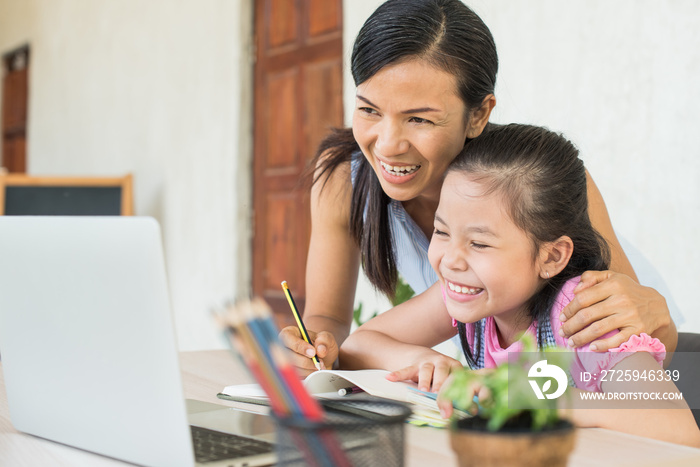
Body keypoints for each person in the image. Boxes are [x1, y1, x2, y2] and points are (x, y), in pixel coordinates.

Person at [279, 0, 677, 376]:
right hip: (521, 370)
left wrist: (655, 316)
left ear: (479, 115)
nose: (386, 144)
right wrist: (314, 347)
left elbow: (633, 328)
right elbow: (331, 325)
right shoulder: (342, 179)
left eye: (418, 119)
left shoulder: (535, 179)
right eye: (369, 109)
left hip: (616, 357)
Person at [340, 124, 700, 446]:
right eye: (441, 231)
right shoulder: (470, 295)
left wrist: (532, 396)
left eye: (479, 243)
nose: (450, 259)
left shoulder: (586, 315)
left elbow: (679, 429)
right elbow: (359, 345)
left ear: (552, 257)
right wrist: (426, 360)